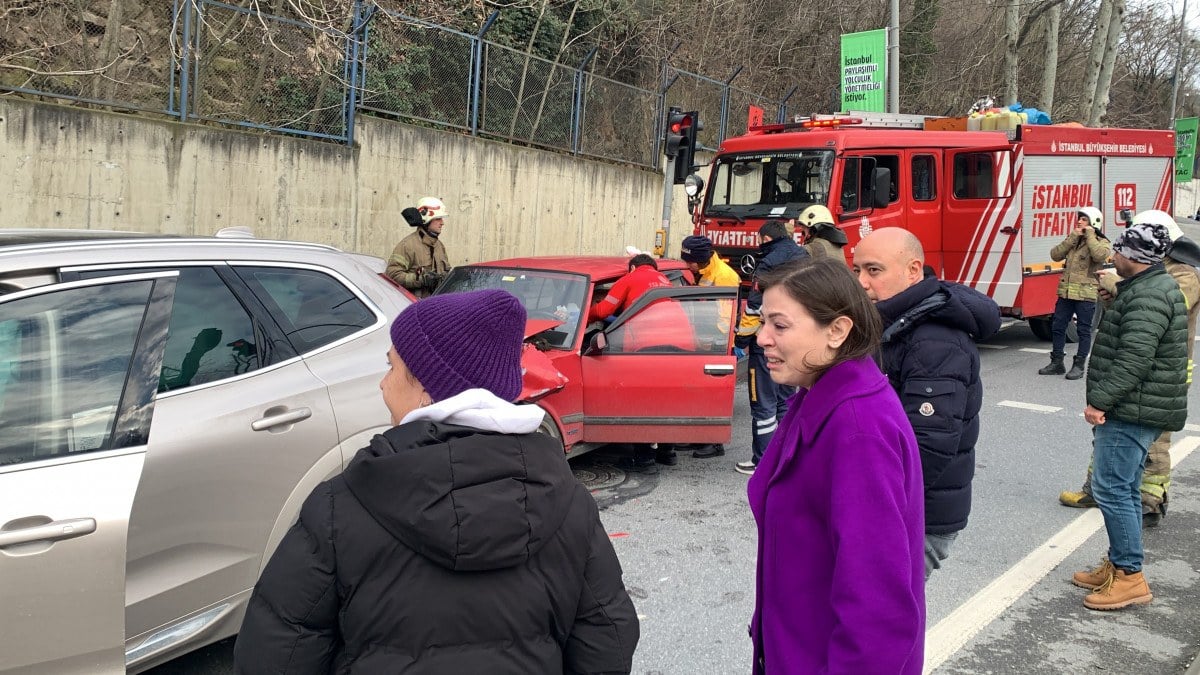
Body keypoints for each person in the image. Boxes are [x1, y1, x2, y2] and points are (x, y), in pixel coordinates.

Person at [234, 289, 640, 672]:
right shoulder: (570, 504)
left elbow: (277, 651)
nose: (383, 383)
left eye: (391, 366)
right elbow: (607, 638)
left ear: (430, 388)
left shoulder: (338, 509)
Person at [747, 257, 925, 674]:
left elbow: (878, 609)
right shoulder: (818, 393)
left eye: (779, 325)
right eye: (763, 321)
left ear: (837, 331)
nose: (761, 337)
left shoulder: (857, 429)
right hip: (797, 650)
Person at [853, 227, 1001, 578]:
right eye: (856, 270)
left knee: (878, 607)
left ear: (913, 270)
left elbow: (927, 446)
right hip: (900, 506)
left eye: (873, 270)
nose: (861, 282)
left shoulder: (934, 339)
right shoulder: (896, 322)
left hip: (913, 516)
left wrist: (871, 506)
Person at [1071, 214, 1189, 610]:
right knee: (1123, 487)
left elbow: (1134, 359)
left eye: (1119, 250)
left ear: (1135, 256)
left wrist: (1100, 401)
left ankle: (1129, 576)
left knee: (1112, 488)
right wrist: (1115, 300)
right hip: (1139, 406)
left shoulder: (1148, 295)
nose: (1113, 256)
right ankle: (1120, 563)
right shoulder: (1146, 287)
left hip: (1132, 409)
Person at [1060, 213, 1200, 526]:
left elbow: (1157, 311)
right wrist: (1112, 297)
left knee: (1154, 443)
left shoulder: (1184, 274)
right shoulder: (1150, 271)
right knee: (1109, 432)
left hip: (1161, 375)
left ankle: (1148, 502)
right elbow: (1131, 317)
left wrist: (1119, 287)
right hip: (1132, 368)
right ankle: (1097, 489)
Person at [734, 220, 809, 474]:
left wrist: (741, 341)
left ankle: (762, 461)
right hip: (795, 340)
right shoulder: (804, 256)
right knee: (786, 401)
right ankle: (787, 457)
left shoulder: (768, 263)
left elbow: (754, 308)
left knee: (763, 404)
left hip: (767, 345)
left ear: (766, 239)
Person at [679, 234, 741, 460]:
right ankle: (698, 436)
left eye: (690, 261)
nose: (687, 265)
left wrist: (715, 343)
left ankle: (713, 443)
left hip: (716, 343)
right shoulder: (702, 271)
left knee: (713, 394)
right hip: (702, 340)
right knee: (697, 393)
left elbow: (726, 316)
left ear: (701, 259)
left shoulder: (724, 276)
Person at [1037, 207, 1111, 379]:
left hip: (1086, 294)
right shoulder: (1073, 240)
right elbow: (1055, 255)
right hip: (1066, 293)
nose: (1079, 221)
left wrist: (1090, 235)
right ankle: (1057, 363)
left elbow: (1099, 256)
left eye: (1084, 219)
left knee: (1083, 330)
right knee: (1057, 326)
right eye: (1079, 218)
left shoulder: (1102, 242)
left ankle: (1079, 366)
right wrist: (1072, 238)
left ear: (1093, 223)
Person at [386, 196, 450, 298]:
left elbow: (446, 273)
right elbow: (392, 274)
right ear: (426, 219)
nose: (442, 223)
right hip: (415, 304)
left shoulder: (439, 246)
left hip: (437, 304)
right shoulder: (407, 245)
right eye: (438, 218)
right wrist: (420, 279)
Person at [588, 253, 671, 322]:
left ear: (632, 268)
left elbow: (603, 311)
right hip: (667, 326)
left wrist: (586, 317)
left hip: (639, 328)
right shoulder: (665, 279)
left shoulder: (628, 279)